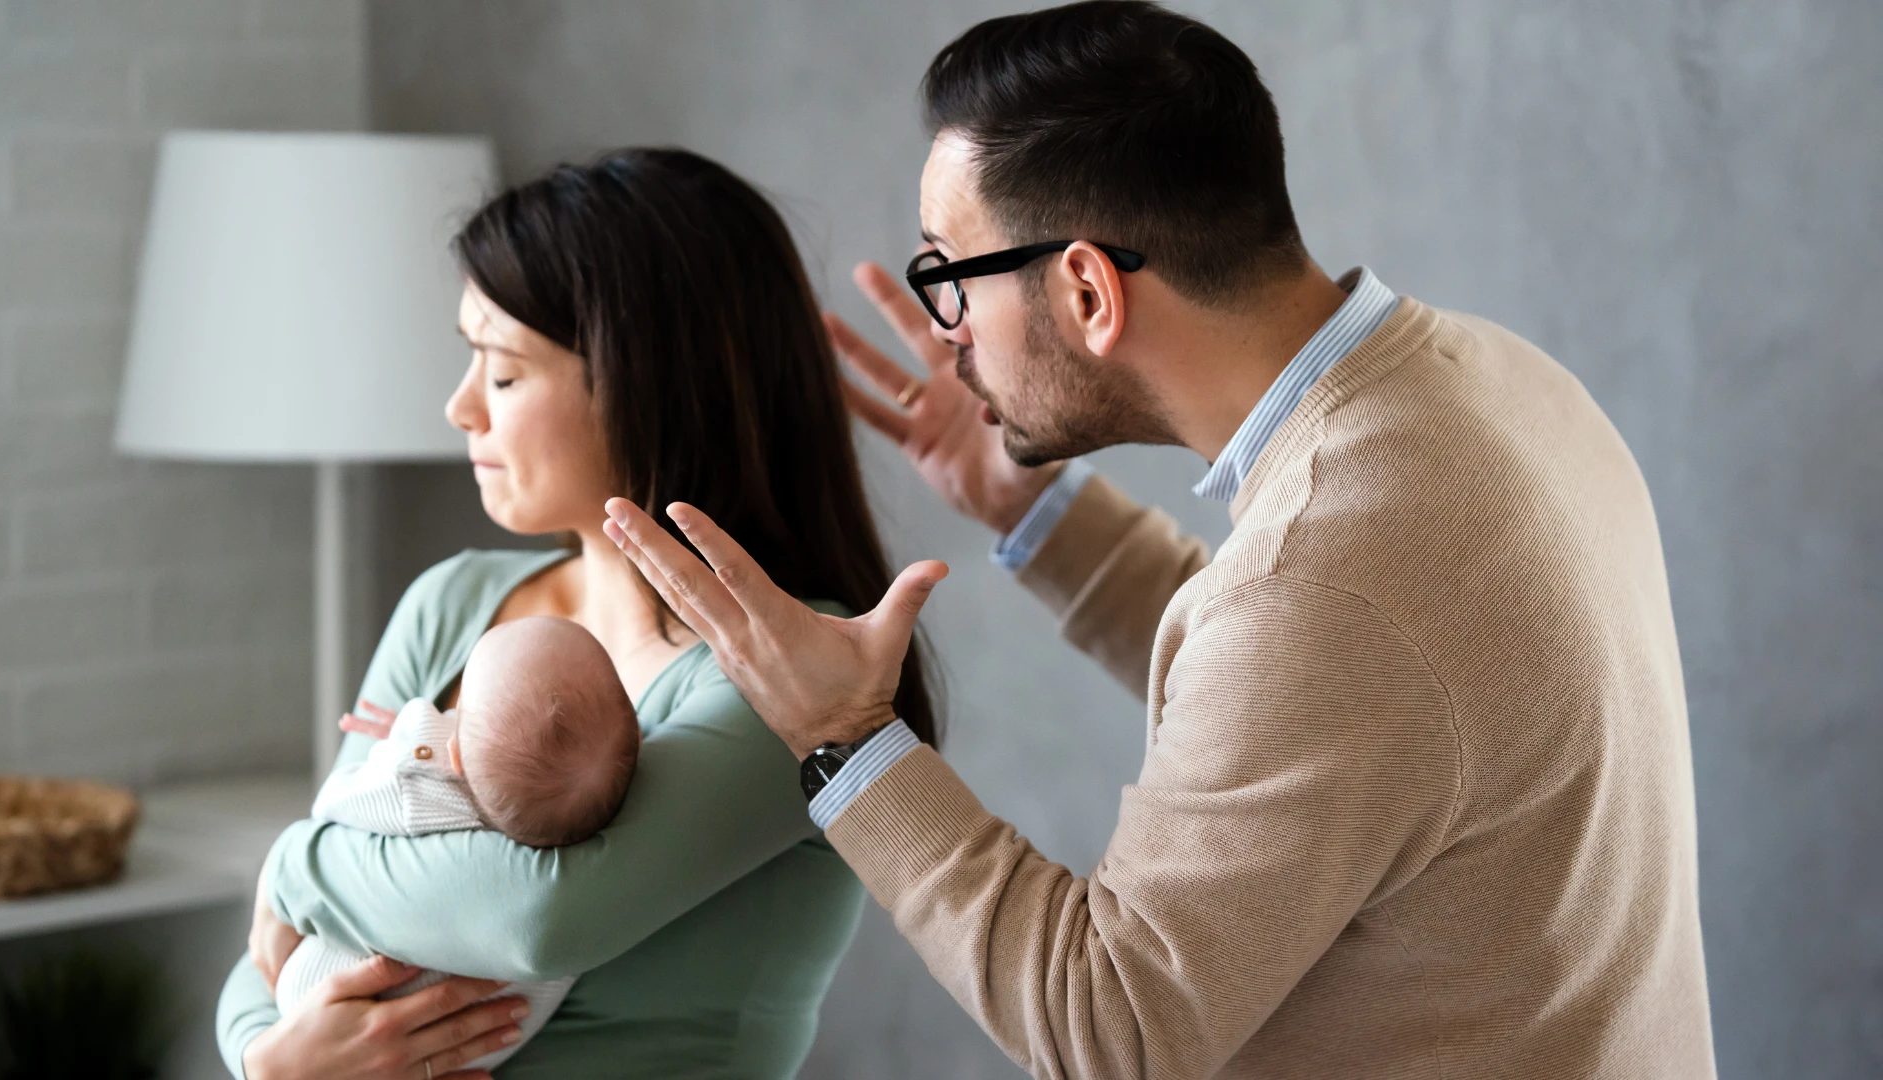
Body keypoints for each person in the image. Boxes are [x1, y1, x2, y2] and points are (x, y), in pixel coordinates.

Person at [600, 3, 1717, 1078]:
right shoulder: (1490, 380)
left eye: (949, 272)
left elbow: (1111, 1030)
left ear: (1087, 288)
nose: (948, 332)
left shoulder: (1322, 585)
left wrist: (846, 737)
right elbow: (1325, 701)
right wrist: (1023, 503)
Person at [216, 147, 938, 1080]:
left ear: (650, 382)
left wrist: (295, 864)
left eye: (505, 373)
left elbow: (535, 917)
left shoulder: (795, 670)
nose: (459, 406)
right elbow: (271, 962)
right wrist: (267, 1065)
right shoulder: (455, 603)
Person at [270, 616, 641, 1072]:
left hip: (336, 993)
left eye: (459, 707)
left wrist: (406, 744)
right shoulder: (591, 849)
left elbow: (333, 806)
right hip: (485, 1043)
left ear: (456, 756)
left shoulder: (417, 793)